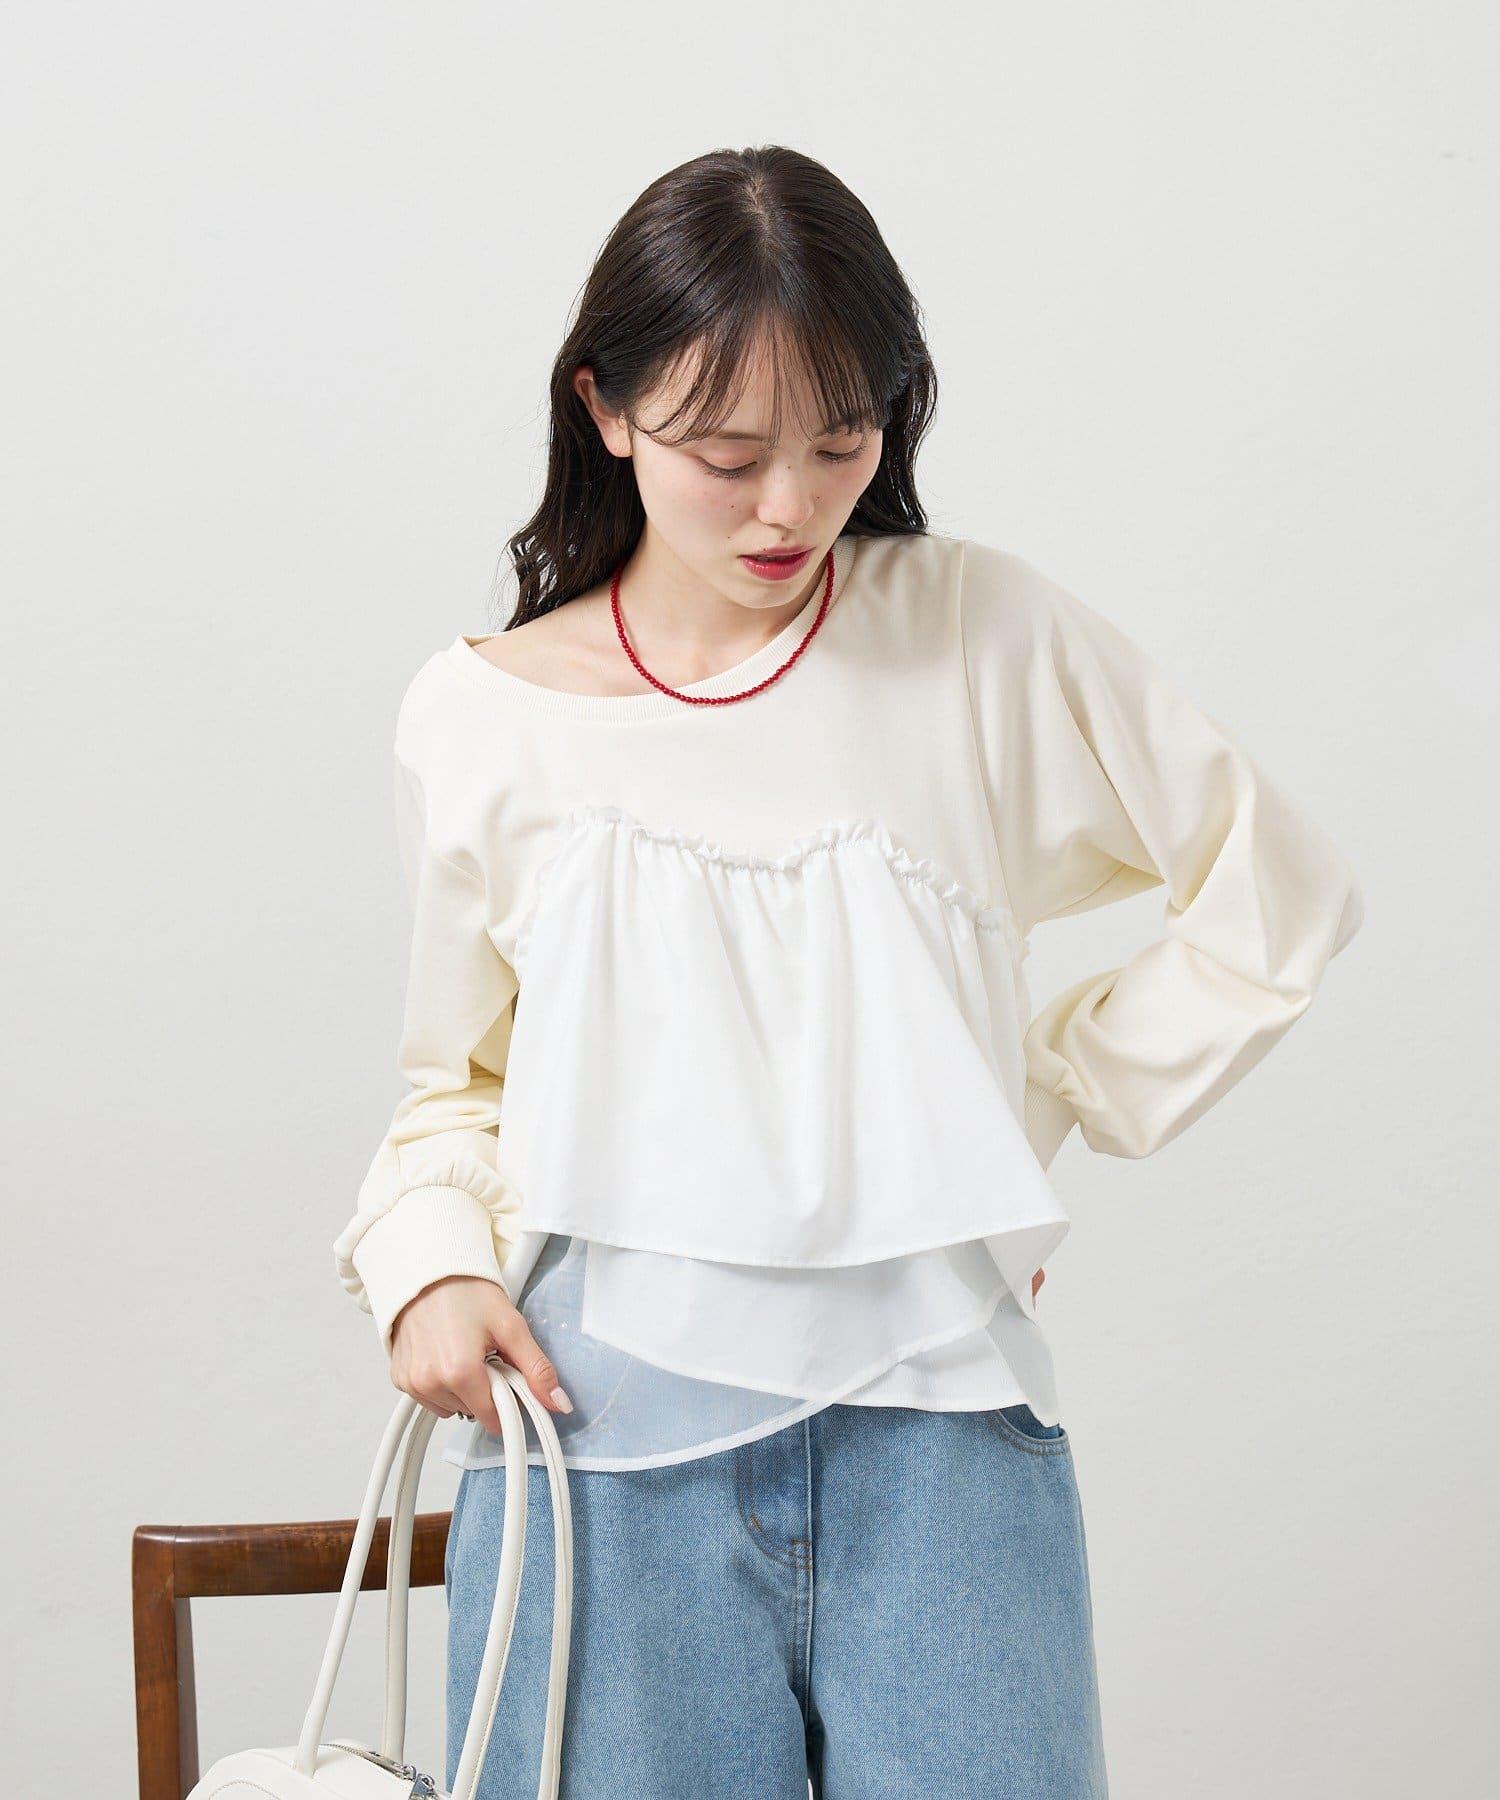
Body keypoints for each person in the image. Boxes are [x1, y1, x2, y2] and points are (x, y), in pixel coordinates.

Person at [332, 144, 1363, 1799]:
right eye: (726, 453)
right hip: (598, 1449)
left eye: (841, 440)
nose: (790, 506)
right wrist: (427, 1268)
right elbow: (457, 1086)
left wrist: (1023, 1113)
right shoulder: (480, 717)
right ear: (606, 409)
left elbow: (1276, 895)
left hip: (944, 1445)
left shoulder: (979, 635)